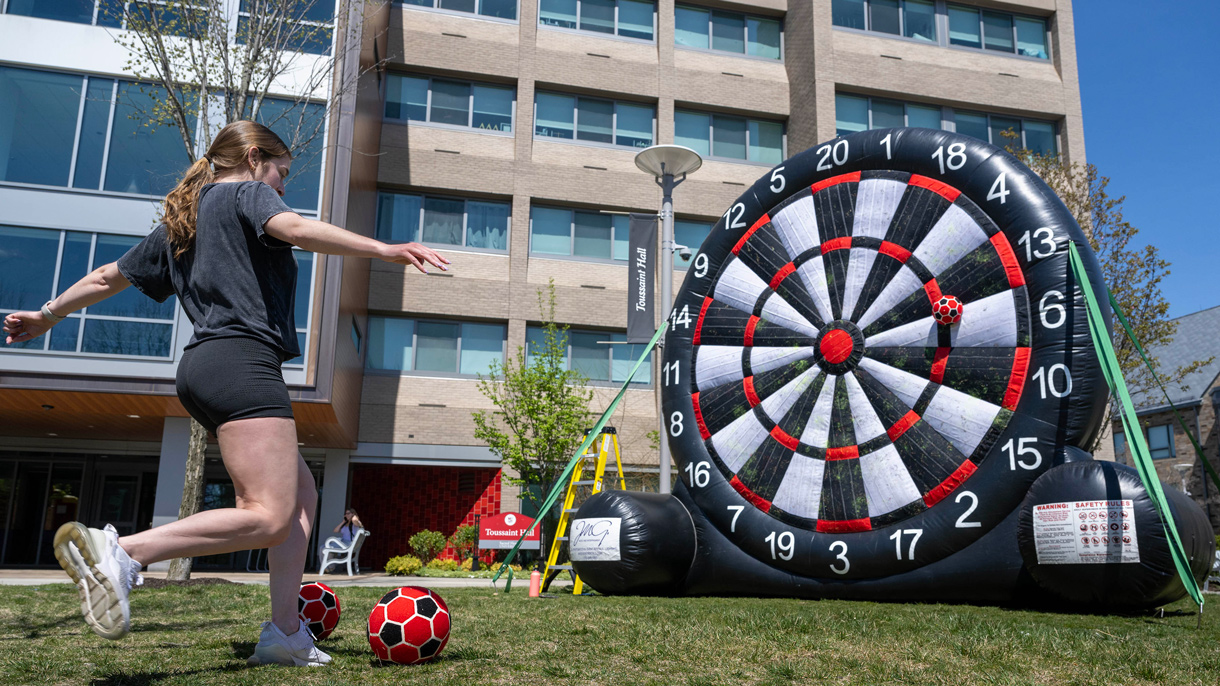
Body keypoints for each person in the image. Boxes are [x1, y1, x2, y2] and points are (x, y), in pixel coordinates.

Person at [2, 120, 449, 667]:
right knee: (268, 515)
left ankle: (286, 632)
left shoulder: (182, 222)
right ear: (257, 157)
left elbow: (104, 276)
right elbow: (299, 230)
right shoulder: (246, 193)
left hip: (204, 369)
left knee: (300, 496)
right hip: (241, 362)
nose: (282, 186)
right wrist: (384, 248)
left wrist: (46, 317)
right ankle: (123, 552)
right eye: (283, 173)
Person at [319, 508, 364, 573]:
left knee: (326, 548)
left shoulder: (356, 523)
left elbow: (356, 521)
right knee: (322, 547)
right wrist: (343, 522)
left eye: (348, 513)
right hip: (342, 542)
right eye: (345, 514)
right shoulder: (345, 524)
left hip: (347, 544)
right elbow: (335, 530)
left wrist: (354, 517)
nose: (346, 515)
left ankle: (329, 567)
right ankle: (328, 567)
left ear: (353, 514)